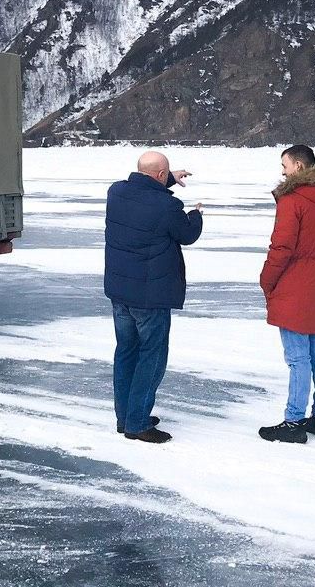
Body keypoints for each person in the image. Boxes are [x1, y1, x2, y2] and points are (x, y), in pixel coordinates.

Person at [104, 150, 203, 443]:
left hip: (121, 293)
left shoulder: (116, 192)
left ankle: (126, 417)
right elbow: (186, 234)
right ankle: (138, 422)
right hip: (150, 296)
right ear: (160, 176)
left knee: (126, 353)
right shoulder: (168, 206)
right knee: (151, 357)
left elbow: (144, 196)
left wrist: (167, 179)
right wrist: (196, 215)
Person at [258, 145, 315, 444]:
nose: (282, 171)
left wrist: (267, 280)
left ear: (299, 168)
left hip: (293, 284)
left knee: (298, 358)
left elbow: (281, 247)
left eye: (285, 165)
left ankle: (293, 422)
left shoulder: (293, 200)